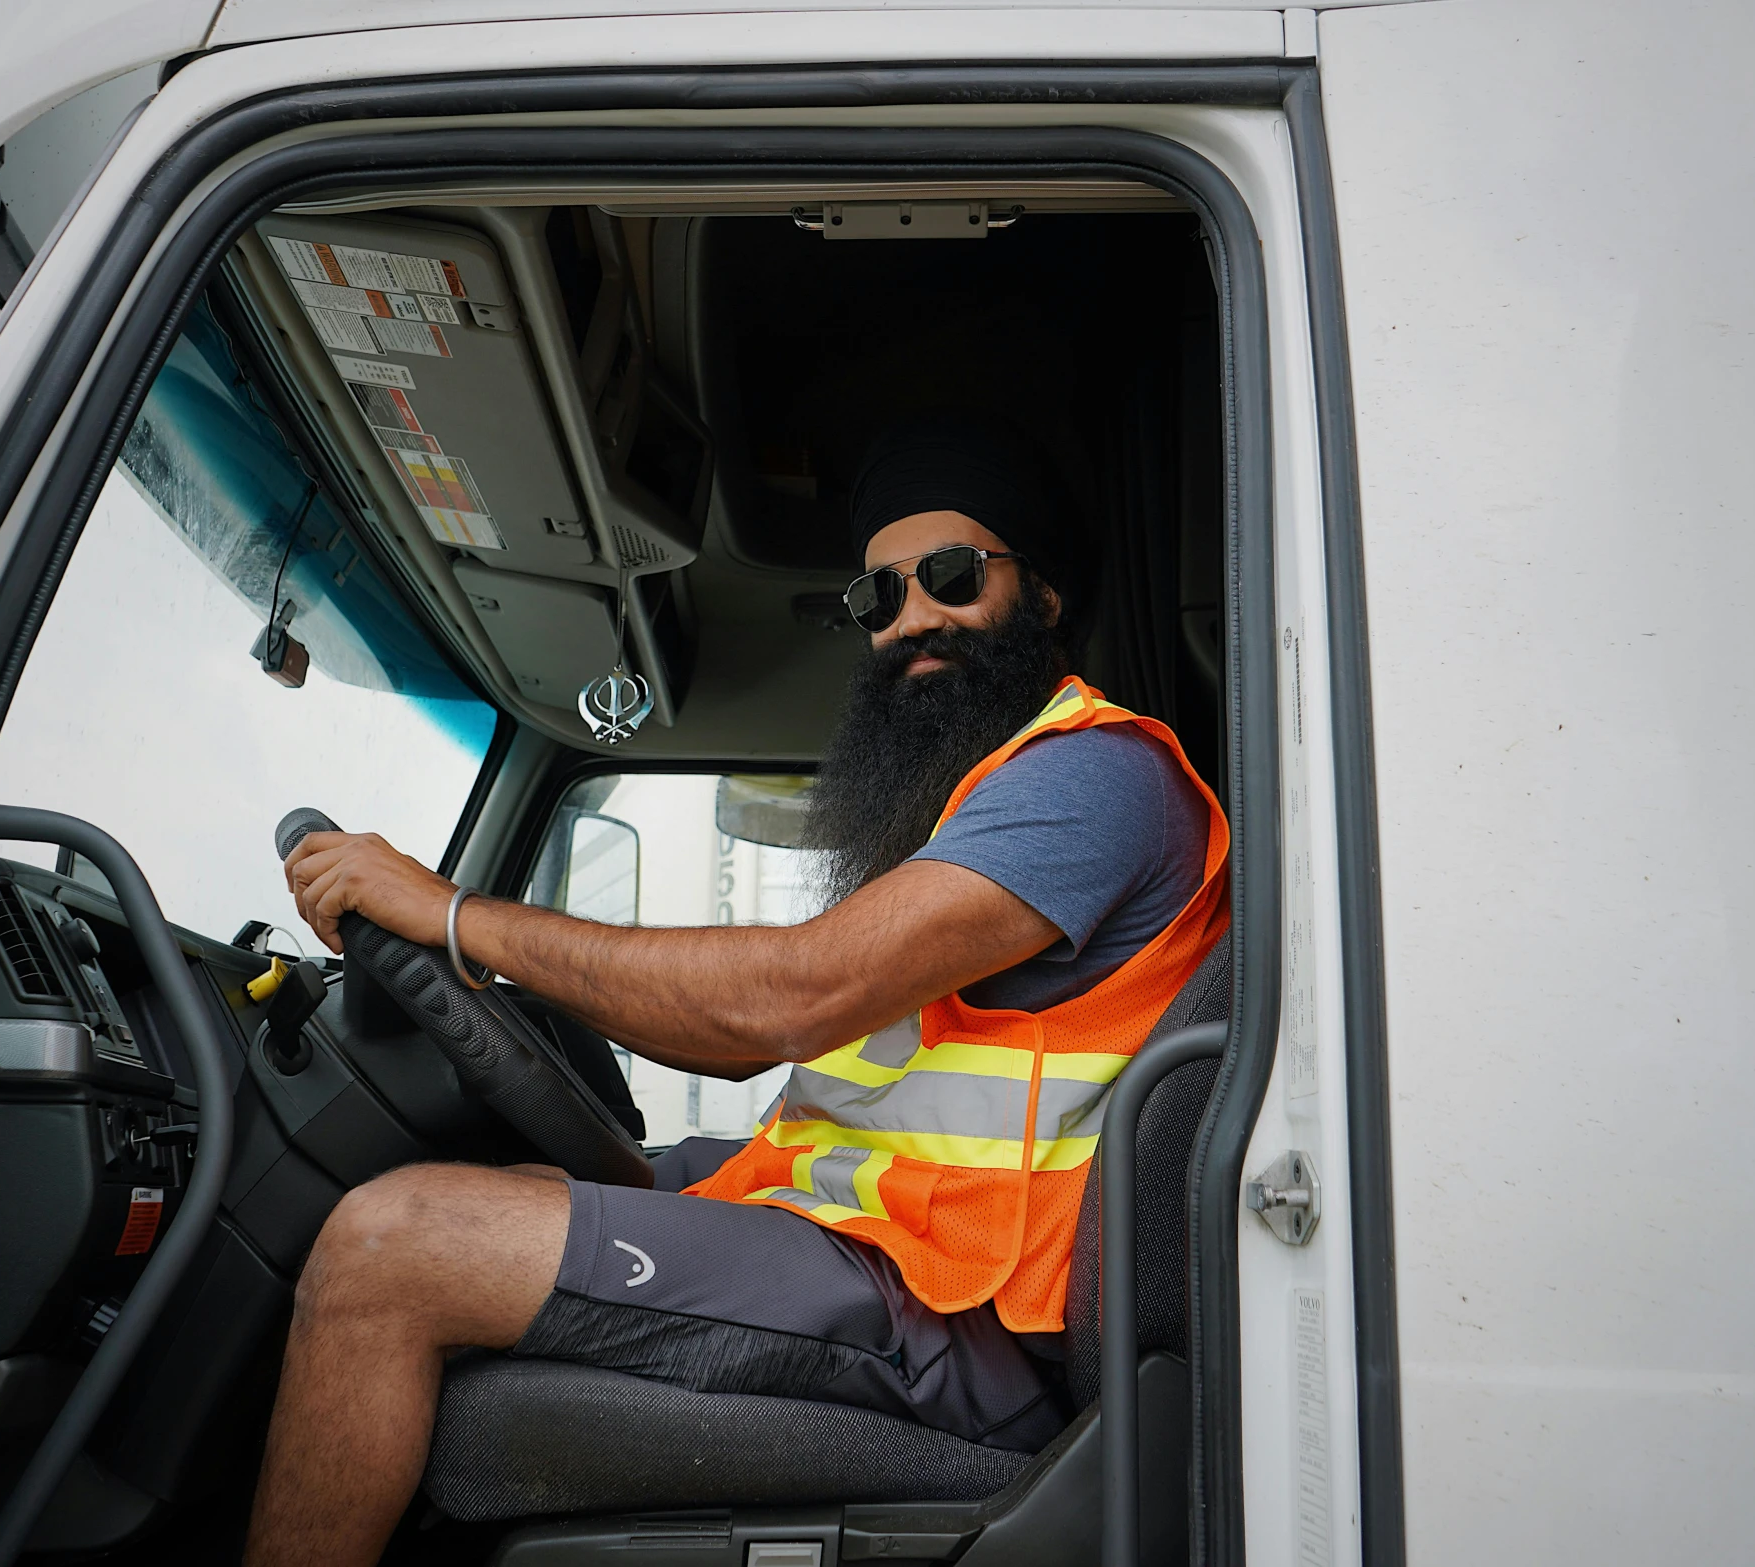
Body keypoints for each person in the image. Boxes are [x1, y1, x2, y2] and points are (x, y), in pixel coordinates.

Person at [244, 417, 1231, 1566]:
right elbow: (746, 1049)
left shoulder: (1095, 775)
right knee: (486, 1192)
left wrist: (456, 916)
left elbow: (779, 1004)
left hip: (964, 1313)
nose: (910, 618)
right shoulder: (965, 809)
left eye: (952, 578)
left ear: (1045, 598)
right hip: (872, 1247)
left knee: (387, 1246)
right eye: (877, 597)